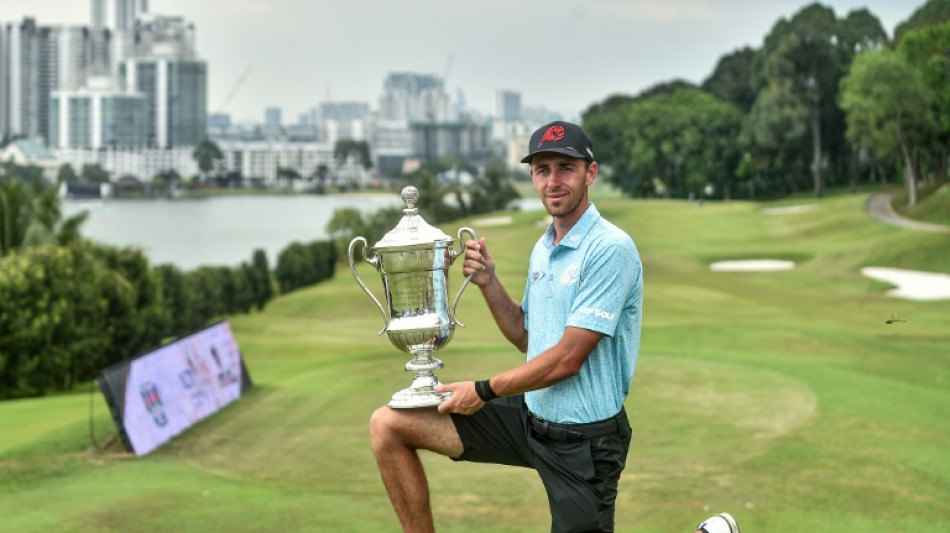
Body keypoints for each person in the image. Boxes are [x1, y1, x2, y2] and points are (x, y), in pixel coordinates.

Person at [369, 121, 739, 533]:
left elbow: (567, 359)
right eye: (543, 169)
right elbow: (529, 336)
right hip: (530, 419)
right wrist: (489, 283)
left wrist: (482, 390)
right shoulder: (545, 247)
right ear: (532, 177)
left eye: (566, 167)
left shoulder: (609, 248)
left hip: (585, 444)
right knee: (388, 425)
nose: (554, 180)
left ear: (590, 173)